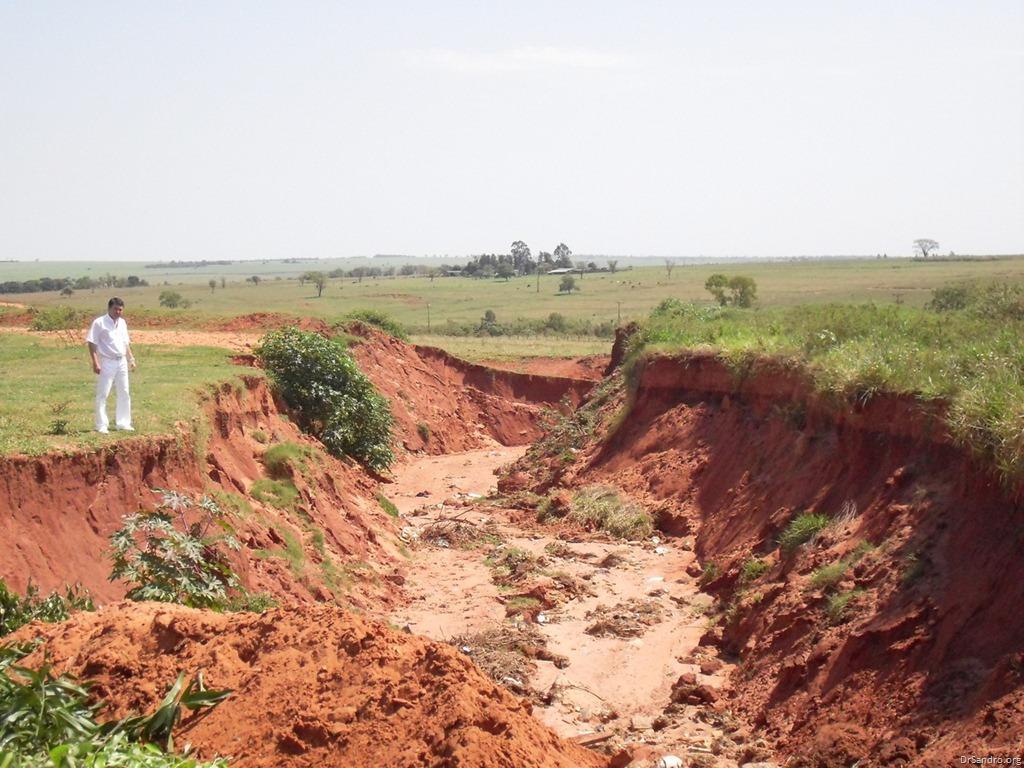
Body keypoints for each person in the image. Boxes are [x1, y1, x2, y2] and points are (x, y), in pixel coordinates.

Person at [86, 297, 136, 433]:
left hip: (122, 361)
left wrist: (131, 359)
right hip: (107, 361)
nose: (118, 312)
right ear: (109, 308)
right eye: (115, 309)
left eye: (120, 310)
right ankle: (101, 425)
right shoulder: (99, 323)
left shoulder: (122, 323)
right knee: (103, 393)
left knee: (124, 392)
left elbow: (125, 342)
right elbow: (92, 342)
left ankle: (123, 423)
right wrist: (95, 362)